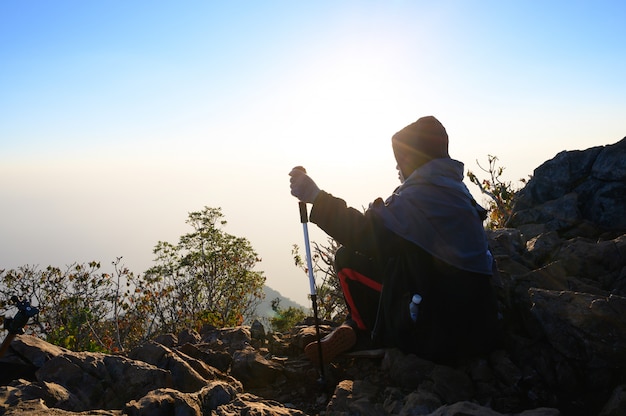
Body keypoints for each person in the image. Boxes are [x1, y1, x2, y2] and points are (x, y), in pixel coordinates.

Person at [288, 116, 499, 365]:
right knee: (391, 259)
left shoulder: (422, 196)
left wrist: (316, 196)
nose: (398, 168)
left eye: (401, 160)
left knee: (347, 260)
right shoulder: (452, 189)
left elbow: (365, 234)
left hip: (440, 334)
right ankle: (358, 324)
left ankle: (365, 331)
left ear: (413, 158)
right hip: (479, 322)